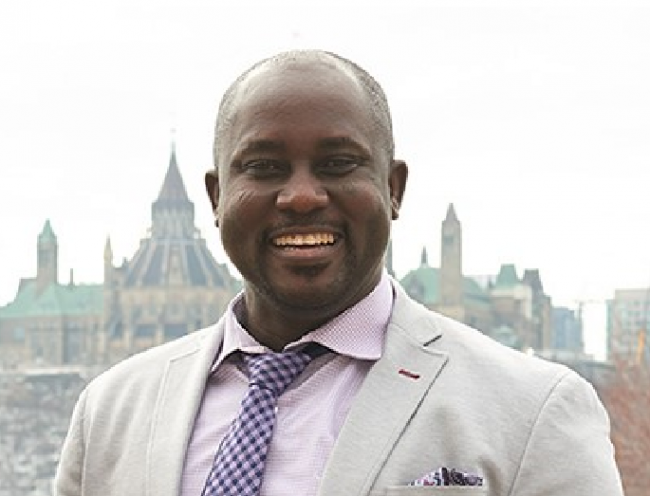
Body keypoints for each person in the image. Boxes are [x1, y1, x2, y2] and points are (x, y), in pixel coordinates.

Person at [54, 49, 623, 496]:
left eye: (338, 163)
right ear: (216, 196)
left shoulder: (532, 410)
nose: (302, 196)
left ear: (394, 189)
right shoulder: (110, 410)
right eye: (265, 167)